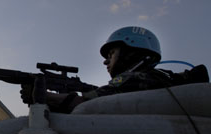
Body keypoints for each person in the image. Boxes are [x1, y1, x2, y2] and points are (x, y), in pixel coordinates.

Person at [21, 26, 209, 113]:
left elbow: (88, 105)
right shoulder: (156, 79)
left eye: (111, 54)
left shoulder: (143, 79)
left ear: (130, 52)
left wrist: (43, 95)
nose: (106, 62)